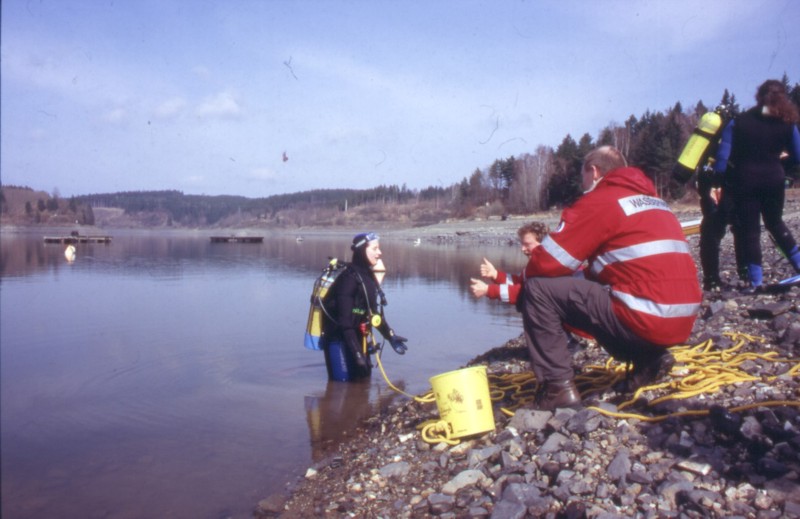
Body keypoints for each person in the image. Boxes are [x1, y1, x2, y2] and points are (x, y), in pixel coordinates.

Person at [520, 145, 702, 410]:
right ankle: (649, 359)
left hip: (647, 318)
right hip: (680, 321)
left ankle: (557, 389)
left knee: (537, 289)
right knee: (599, 287)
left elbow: (548, 263)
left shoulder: (601, 200)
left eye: (583, 176)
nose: (583, 184)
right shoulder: (655, 203)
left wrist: (521, 283)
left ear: (594, 172)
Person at [712, 79, 800, 292]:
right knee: (776, 223)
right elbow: (798, 156)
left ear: (758, 96)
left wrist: (719, 181)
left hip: (745, 181)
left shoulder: (739, 121)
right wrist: (779, 164)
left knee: (750, 231)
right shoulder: (788, 123)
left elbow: (722, 160)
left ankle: (755, 282)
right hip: (774, 180)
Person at [320, 232, 408, 381]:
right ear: (362, 250)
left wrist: (390, 335)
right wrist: (357, 354)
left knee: (363, 379)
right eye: (375, 249)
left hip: (356, 335)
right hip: (338, 338)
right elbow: (345, 324)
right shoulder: (348, 280)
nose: (380, 253)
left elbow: (374, 314)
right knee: (341, 388)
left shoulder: (367, 276)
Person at [469, 221, 549, 304]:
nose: (522, 249)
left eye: (527, 244)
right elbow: (519, 284)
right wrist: (495, 274)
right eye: (522, 244)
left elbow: (524, 293)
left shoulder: (547, 267)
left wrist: (488, 290)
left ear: (543, 244)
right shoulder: (533, 265)